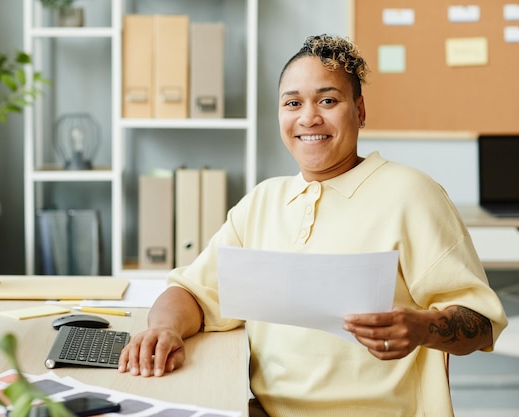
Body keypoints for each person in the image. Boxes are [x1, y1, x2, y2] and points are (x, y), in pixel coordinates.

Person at [118, 34, 508, 416]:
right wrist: (164, 328)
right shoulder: (263, 201)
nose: (308, 117)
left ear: (360, 111)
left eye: (328, 100)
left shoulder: (412, 193)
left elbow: (481, 323)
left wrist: (423, 327)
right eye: (293, 103)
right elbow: (192, 290)